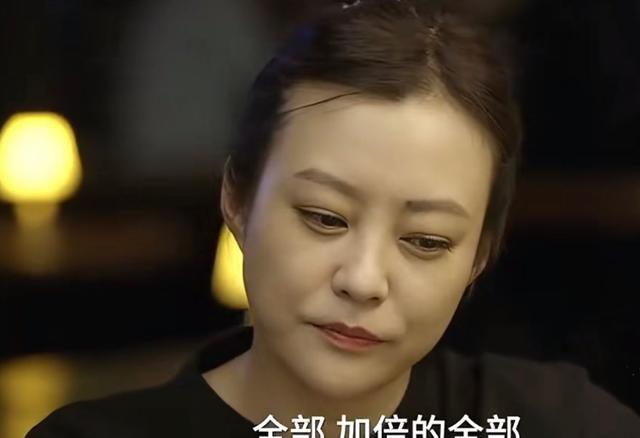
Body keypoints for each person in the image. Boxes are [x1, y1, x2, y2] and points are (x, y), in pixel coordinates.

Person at [27, 1, 640, 437]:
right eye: (324, 218)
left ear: (479, 255)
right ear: (237, 201)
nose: (364, 280)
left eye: (426, 241)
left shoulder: (557, 421)